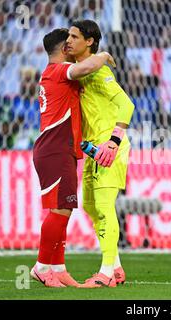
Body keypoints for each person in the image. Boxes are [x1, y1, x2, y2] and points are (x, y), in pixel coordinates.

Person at [30, 28, 116, 287]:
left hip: (57, 149)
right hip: (55, 149)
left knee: (63, 210)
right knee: (61, 210)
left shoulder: (50, 76)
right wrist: (104, 55)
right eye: (69, 43)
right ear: (64, 49)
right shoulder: (57, 71)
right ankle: (41, 266)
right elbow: (83, 69)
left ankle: (58, 267)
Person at [66, 20, 135, 288]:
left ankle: (106, 272)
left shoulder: (99, 72)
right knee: (90, 207)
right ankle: (116, 265)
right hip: (93, 148)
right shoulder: (82, 71)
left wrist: (114, 141)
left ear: (90, 41)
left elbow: (126, 104)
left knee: (105, 208)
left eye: (74, 36)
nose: (69, 41)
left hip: (109, 147)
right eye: (68, 36)